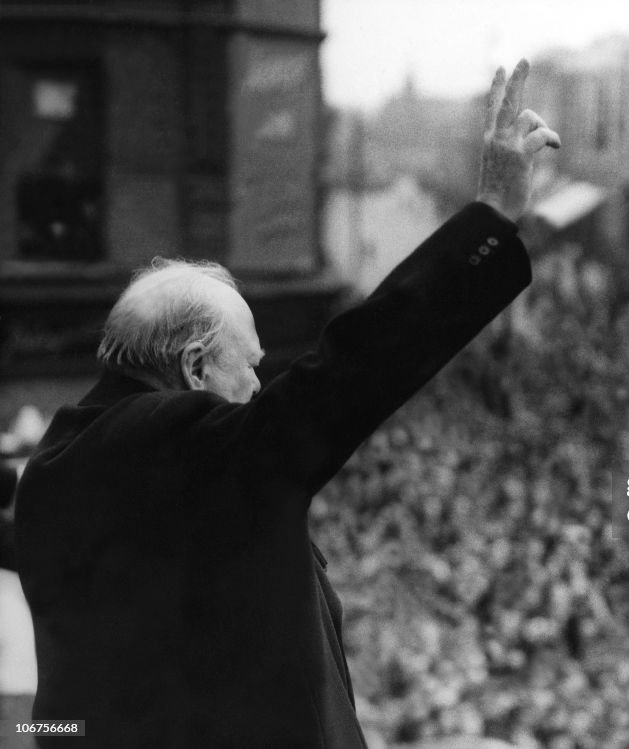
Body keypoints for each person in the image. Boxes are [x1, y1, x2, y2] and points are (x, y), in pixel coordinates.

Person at [14, 59, 559, 749]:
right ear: (193, 364)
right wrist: (491, 218)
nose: (257, 387)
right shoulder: (178, 441)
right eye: (249, 363)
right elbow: (348, 372)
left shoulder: (53, 469)